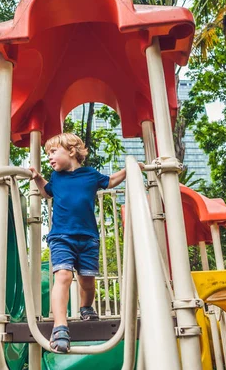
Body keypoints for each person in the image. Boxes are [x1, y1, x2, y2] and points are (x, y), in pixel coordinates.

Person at [29, 132, 142, 353]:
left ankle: (86, 306)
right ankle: (60, 326)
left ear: (71, 151)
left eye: (53, 152)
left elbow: (110, 181)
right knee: (63, 275)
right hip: (61, 236)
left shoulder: (90, 175)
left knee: (87, 281)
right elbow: (46, 193)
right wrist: (37, 178)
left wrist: (131, 169)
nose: (49, 158)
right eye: (47, 154)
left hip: (88, 238)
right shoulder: (56, 178)